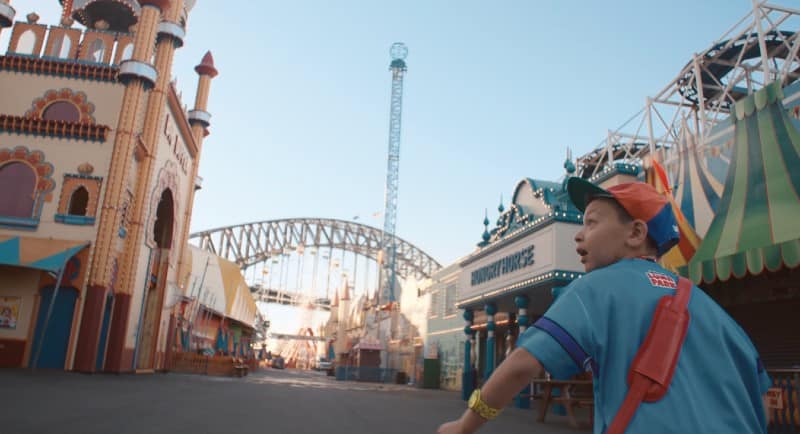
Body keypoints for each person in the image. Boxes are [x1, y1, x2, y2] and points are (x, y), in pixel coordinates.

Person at [438, 178, 772, 434]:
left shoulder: (596, 288)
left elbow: (522, 364)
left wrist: (464, 425)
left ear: (635, 233)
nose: (578, 235)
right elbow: (763, 401)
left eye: (592, 222)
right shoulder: (715, 311)